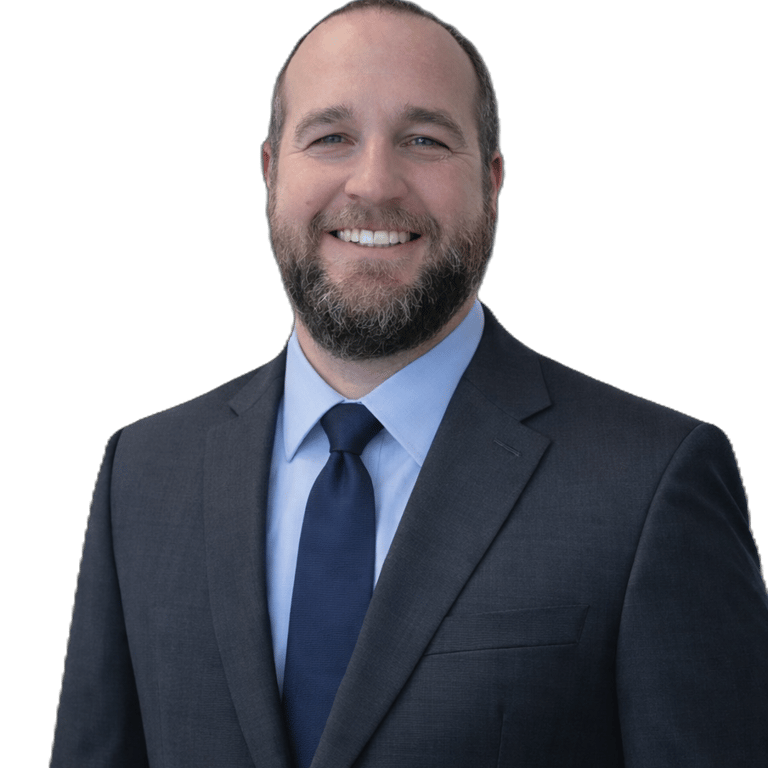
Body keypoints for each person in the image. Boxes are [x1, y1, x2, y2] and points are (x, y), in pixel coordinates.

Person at [51, 1, 768, 766]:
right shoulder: (144, 472)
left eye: (425, 140)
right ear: (269, 171)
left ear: (492, 181)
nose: (374, 183)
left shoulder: (653, 480)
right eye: (330, 137)